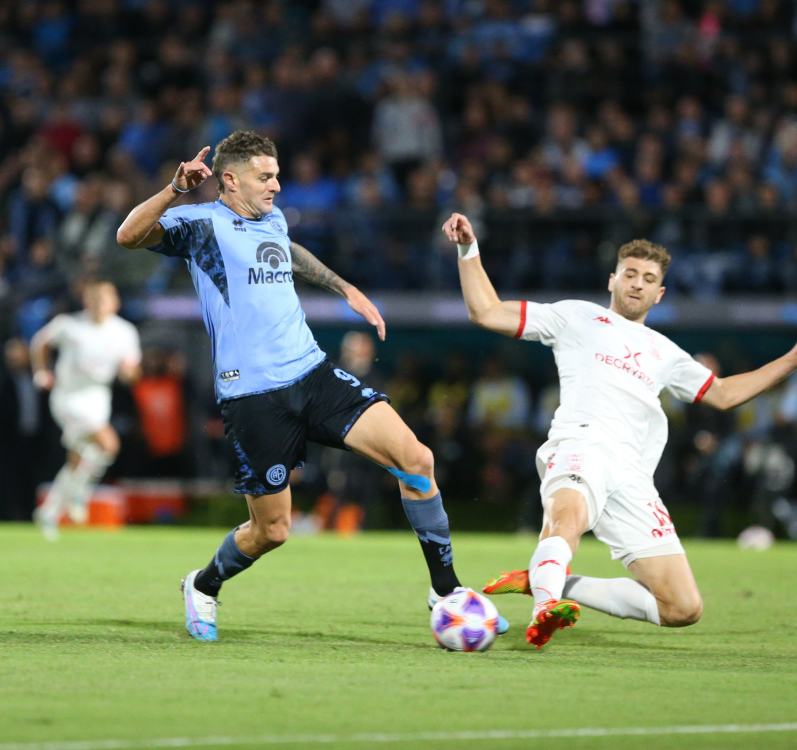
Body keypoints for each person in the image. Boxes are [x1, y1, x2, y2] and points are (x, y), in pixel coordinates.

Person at [115, 131, 501, 642]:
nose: (277, 184)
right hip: (253, 396)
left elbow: (288, 252)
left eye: (277, 174)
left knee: (417, 459)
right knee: (272, 531)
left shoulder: (270, 218)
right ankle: (204, 585)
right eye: (265, 176)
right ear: (229, 179)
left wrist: (346, 289)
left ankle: (446, 590)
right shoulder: (201, 224)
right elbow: (128, 235)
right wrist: (173, 189)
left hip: (312, 374)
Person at [442, 211, 797, 648]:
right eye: (630, 274)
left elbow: (724, 394)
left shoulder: (665, 352)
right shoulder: (575, 317)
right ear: (612, 280)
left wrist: (794, 357)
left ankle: (550, 582)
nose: (637, 283)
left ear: (659, 293)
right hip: (582, 445)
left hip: (632, 475)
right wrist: (468, 248)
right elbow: (487, 311)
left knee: (683, 608)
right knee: (567, 520)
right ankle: (545, 607)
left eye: (648, 278)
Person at [30, 279, 142, 541]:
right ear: (86, 301)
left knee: (78, 459)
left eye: (104, 299)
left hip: (99, 397)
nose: (98, 305)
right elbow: (40, 342)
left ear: (115, 303)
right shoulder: (69, 325)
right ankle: (80, 491)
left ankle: (49, 511)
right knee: (109, 445)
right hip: (68, 397)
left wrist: (128, 374)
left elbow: (133, 371)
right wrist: (41, 372)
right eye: (93, 299)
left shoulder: (125, 332)